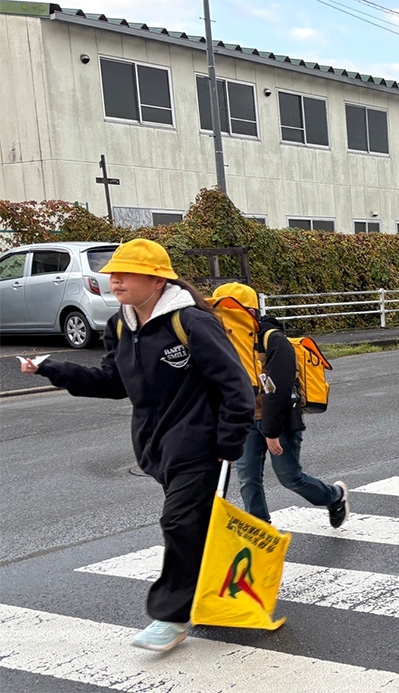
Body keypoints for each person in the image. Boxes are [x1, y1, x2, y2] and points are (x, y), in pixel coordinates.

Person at [19, 239, 255, 652]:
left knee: (179, 522)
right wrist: (52, 369)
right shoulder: (120, 326)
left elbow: (235, 386)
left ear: (156, 279)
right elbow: (113, 383)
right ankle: (214, 587)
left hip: (201, 445)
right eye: (112, 272)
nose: (115, 279)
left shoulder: (191, 323)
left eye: (125, 272)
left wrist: (228, 443)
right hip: (155, 448)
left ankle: (171, 617)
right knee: (192, 525)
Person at [213, 283, 350, 528]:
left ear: (251, 312)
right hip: (245, 421)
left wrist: (271, 431)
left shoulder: (273, 341)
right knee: (248, 479)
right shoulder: (223, 342)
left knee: (290, 477)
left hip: (280, 420)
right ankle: (259, 528)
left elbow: (280, 391)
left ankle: (334, 496)